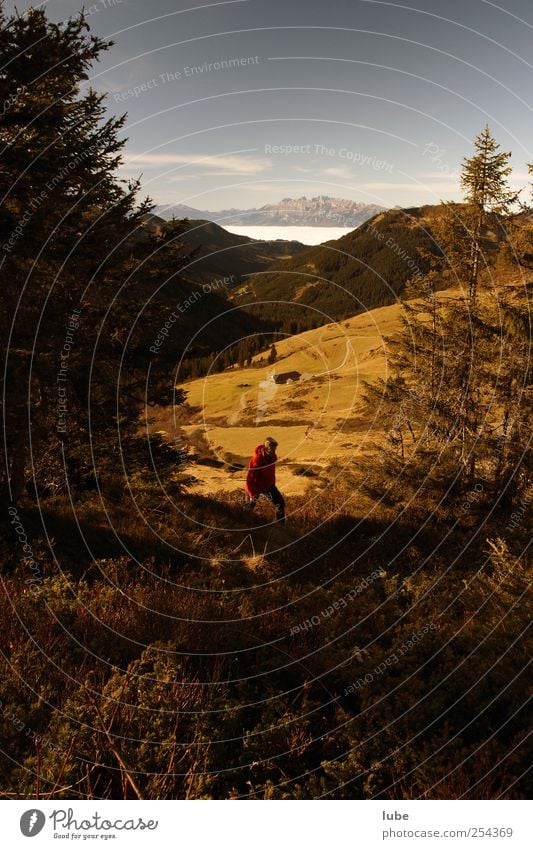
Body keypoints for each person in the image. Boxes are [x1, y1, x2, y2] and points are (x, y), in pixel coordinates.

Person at [245, 436, 285, 523]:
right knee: (249, 507)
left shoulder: (272, 457)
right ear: (266, 449)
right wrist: (252, 495)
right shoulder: (257, 460)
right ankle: (243, 524)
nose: (274, 451)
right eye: (272, 449)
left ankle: (281, 527)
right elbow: (250, 479)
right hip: (255, 486)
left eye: (275, 449)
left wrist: (272, 484)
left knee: (280, 503)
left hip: (268, 485)